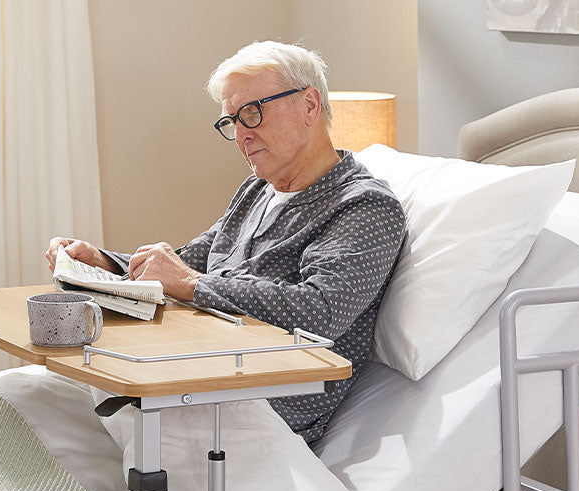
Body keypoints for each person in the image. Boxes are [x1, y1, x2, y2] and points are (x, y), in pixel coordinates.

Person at [44, 41, 406, 443]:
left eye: (253, 112)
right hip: (195, 370)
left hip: (254, 404)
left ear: (309, 105)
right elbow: (189, 262)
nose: (242, 135)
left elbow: (320, 312)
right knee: (17, 391)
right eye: (233, 121)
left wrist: (192, 284)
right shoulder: (257, 190)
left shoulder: (364, 206)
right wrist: (103, 261)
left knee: (55, 412)